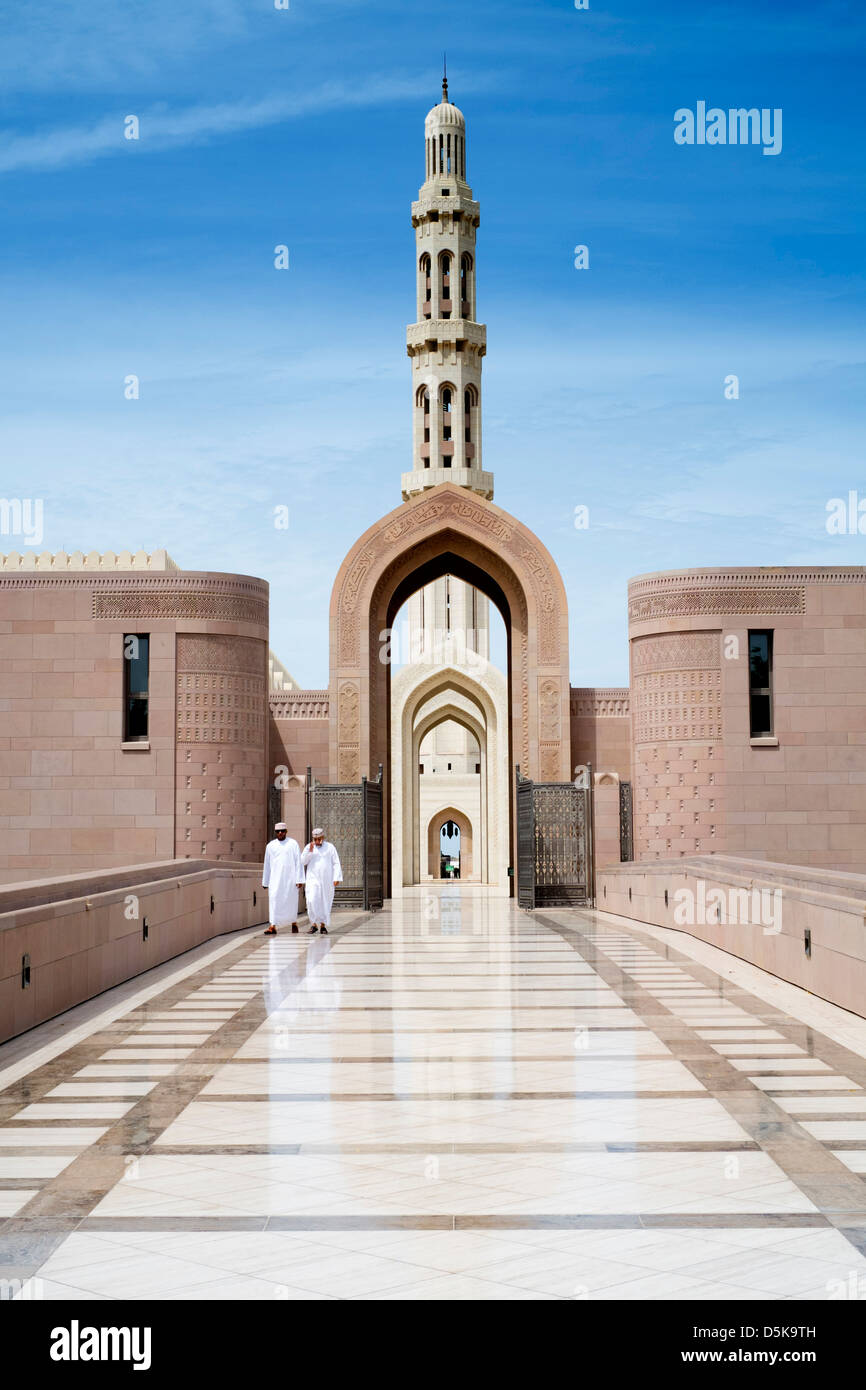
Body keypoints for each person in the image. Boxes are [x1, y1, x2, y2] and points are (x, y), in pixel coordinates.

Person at [261, 823, 305, 936]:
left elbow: (298, 863)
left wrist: (299, 879)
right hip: (275, 880)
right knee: (274, 901)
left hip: (290, 880)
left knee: (291, 901)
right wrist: (265, 881)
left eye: (282, 831)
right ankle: (273, 926)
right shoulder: (270, 846)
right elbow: (267, 864)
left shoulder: (293, 844)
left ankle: (294, 923)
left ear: (286, 831)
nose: (280, 833)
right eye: (278, 831)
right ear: (275, 833)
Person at [301, 828, 342, 935]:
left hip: (326, 881)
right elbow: (303, 861)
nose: (318, 841)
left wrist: (336, 877)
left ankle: (323, 925)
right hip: (312, 880)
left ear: (323, 838)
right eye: (315, 839)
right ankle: (313, 924)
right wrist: (309, 851)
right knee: (311, 900)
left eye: (319, 839)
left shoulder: (330, 847)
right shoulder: (309, 847)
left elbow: (336, 862)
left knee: (325, 902)